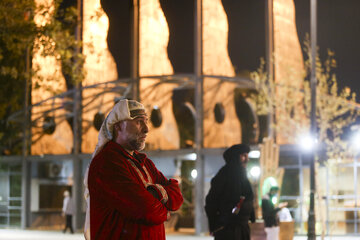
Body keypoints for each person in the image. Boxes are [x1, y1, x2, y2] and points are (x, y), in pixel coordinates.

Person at [84, 99, 183, 240]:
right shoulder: (107, 163)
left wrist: (154, 193)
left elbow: (177, 194)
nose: (146, 128)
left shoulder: (144, 162)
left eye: (146, 121)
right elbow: (145, 210)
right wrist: (165, 207)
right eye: (138, 122)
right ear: (118, 126)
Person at [205, 144, 255, 240]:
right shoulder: (223, 176)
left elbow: (248, 197)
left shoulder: (243, 176)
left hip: (243, 229)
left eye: (247, 156)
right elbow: (211, 202)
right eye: (244, 156)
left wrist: (251, 216)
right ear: (235, 157)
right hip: (227, 230)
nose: (247, 159)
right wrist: (215, 225)